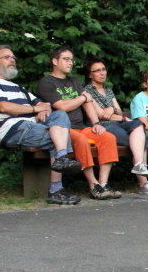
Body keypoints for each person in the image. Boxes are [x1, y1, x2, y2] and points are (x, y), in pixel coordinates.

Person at [0, 45, 83, 205]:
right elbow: (3, 107)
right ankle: (56, 188)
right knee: (59, 136)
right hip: (11, 129)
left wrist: (44, 109)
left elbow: (45, 104)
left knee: (60, 116)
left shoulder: (19, 88)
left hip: (32, 126)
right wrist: (35, 109)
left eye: (13, 58)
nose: (12, 60)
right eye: (7, 57)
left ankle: (61, 159)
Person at [36, 47, 121, 200]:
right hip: (62, 129)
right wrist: (81, 99)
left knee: (108, 138)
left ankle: (103, 184)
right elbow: (62, 106)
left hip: (81, 127)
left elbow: (88, 103)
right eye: (66, 59)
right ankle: (93, 185)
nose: (70, 63)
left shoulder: (74, 81)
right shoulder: (46, 82)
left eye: (71, 59)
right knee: (82, 142)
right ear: (55, 61)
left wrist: (96, 122)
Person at [81, 57, 148, 196]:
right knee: (142, 143)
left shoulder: (108, 90)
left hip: (117, 122)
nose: (102, 73)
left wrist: (112, 110)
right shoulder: (87, 90)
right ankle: (143, 183)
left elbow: (119, 110)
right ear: (90, 74)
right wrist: (112, 110)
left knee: (138, 124)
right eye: (97, 71)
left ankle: (140, 169)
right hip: (103, 127)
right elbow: (101, 115)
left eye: (103, 69)